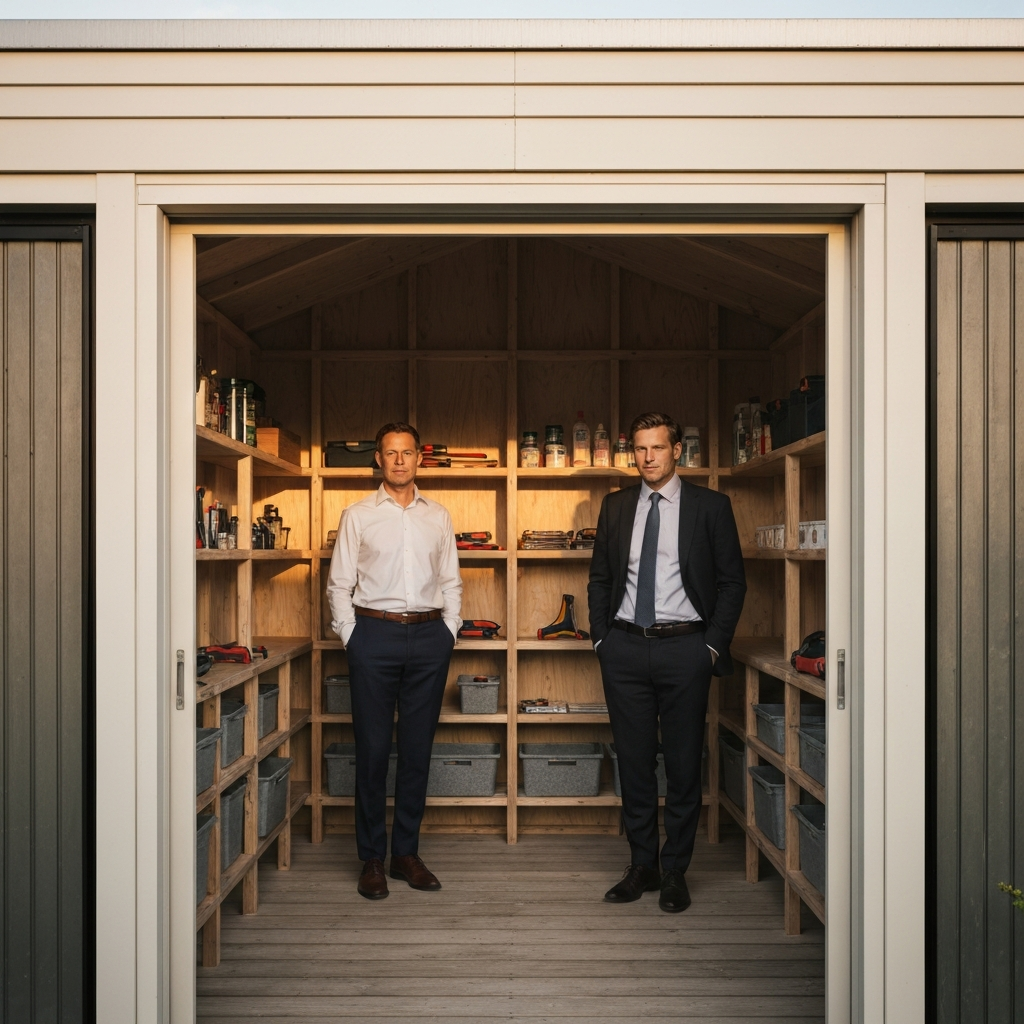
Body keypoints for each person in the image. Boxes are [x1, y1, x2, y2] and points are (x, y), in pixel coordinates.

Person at [587, 411, 746, 913]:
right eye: (639, 448)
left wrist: (711, 647)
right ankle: (642, 865)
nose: (648, 457)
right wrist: (601, 640)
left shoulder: (710, 507)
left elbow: (732, 583)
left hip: (685, 649)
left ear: (677, 450)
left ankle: (676, 868)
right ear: (631, 452)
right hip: (625, 648)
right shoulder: (614, 508)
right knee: (633, 764)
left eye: (657, 447)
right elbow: (598, 579)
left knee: (681, 765)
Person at [326, 422, 462, 900]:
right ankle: (372, 860)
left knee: (418, 751)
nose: (399, 461)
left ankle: (405, 854)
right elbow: (339, 584)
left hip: (429, 637)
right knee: (373, 751)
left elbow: (451, 580)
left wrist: (449, 629)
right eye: (390, 453)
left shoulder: (438, 516)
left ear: (419, 458)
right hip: (374, 635)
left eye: (407, 453)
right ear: (378, 460)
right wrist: (352, 637)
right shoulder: (358, 514)